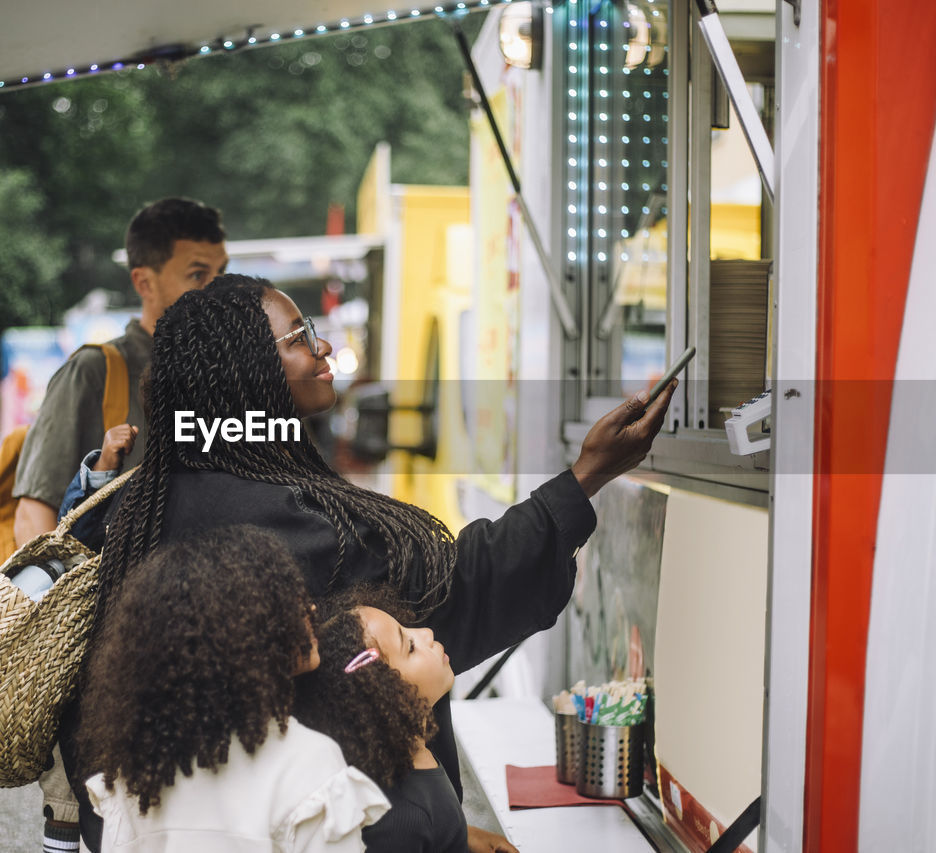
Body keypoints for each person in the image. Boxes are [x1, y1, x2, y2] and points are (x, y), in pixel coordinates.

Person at [60, 274, 675, 852]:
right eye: (299, 336)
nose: (323, 345)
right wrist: (587, 475)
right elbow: (451, 597)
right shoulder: (281, 520)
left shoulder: (154, 495)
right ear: (246, 371)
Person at [9, 197, 227, 850]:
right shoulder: (97, 370)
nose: (215, 291)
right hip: (100, 655)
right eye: (197, 274)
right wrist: (58, 639)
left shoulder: (223, 379)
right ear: (145, 280)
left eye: (223, 273)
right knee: (81, 816)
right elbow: (34, 513)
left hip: (193, 655)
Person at [75, 526, 389, 852]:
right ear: (244, 635)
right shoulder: (308, 763)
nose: (311, 610)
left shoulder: (133, 777)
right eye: (288, 603)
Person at [295, 587, 507, 853]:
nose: (427, 634)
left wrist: (463, 837)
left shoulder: (417, 756)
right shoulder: (399, 823)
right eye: (410, 646)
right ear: (385, 696)